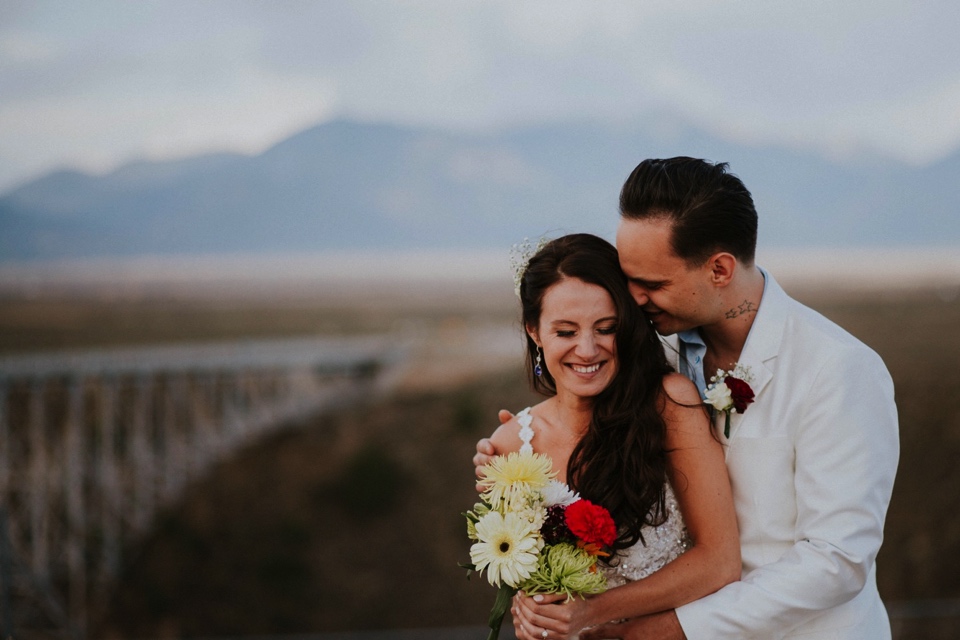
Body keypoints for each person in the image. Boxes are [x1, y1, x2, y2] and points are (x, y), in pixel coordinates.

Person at [475, 157, 900, 639]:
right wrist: (518, 457)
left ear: (719, 269)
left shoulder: (838, 369)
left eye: (652, 284)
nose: (631, 300)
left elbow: (838, 562)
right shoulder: (655, 350)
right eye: (628, 280)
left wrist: (662, 628)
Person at [482, 233, 740, 640]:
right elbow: (519, 570)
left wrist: (592, 611)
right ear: (534, 331)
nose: (587, 349)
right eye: (565, 332)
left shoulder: (668, 404)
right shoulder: (510, 445)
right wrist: (531, 609)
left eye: (606, 328)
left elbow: (720, 562)